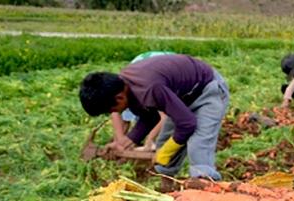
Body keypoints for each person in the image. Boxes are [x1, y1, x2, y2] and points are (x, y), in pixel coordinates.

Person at [79, 54, 229, 180]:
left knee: (198, 146)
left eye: (111, 110)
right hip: (183, 98)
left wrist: (166, 152)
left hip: (208, 90)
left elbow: (187, 123)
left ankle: (205, 187)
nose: (115, 113)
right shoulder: (126, 87)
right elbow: (149, 117)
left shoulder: (150, 88)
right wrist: (127, 142)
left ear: (119, 98)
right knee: (164, 141)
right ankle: (167, 186)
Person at [109, 51, 173, 152]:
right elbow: (116, 113)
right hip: (146, 70)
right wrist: (120, 140)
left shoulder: (148, 88)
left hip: (169, 72)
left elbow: (166, 117)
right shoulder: (119, 92)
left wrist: (150, 139)